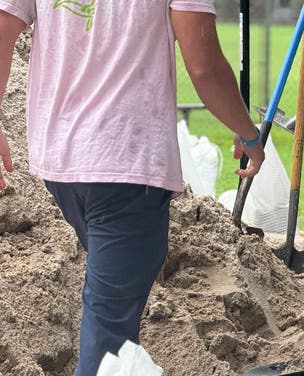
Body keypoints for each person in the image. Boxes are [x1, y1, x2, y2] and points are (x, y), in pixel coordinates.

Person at [0, 2, 265, 375]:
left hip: (60, 161)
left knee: (112, 309)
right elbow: (204, 65)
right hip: (125, 159)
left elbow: (2, 26)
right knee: (110, 337)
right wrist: (249, 133)